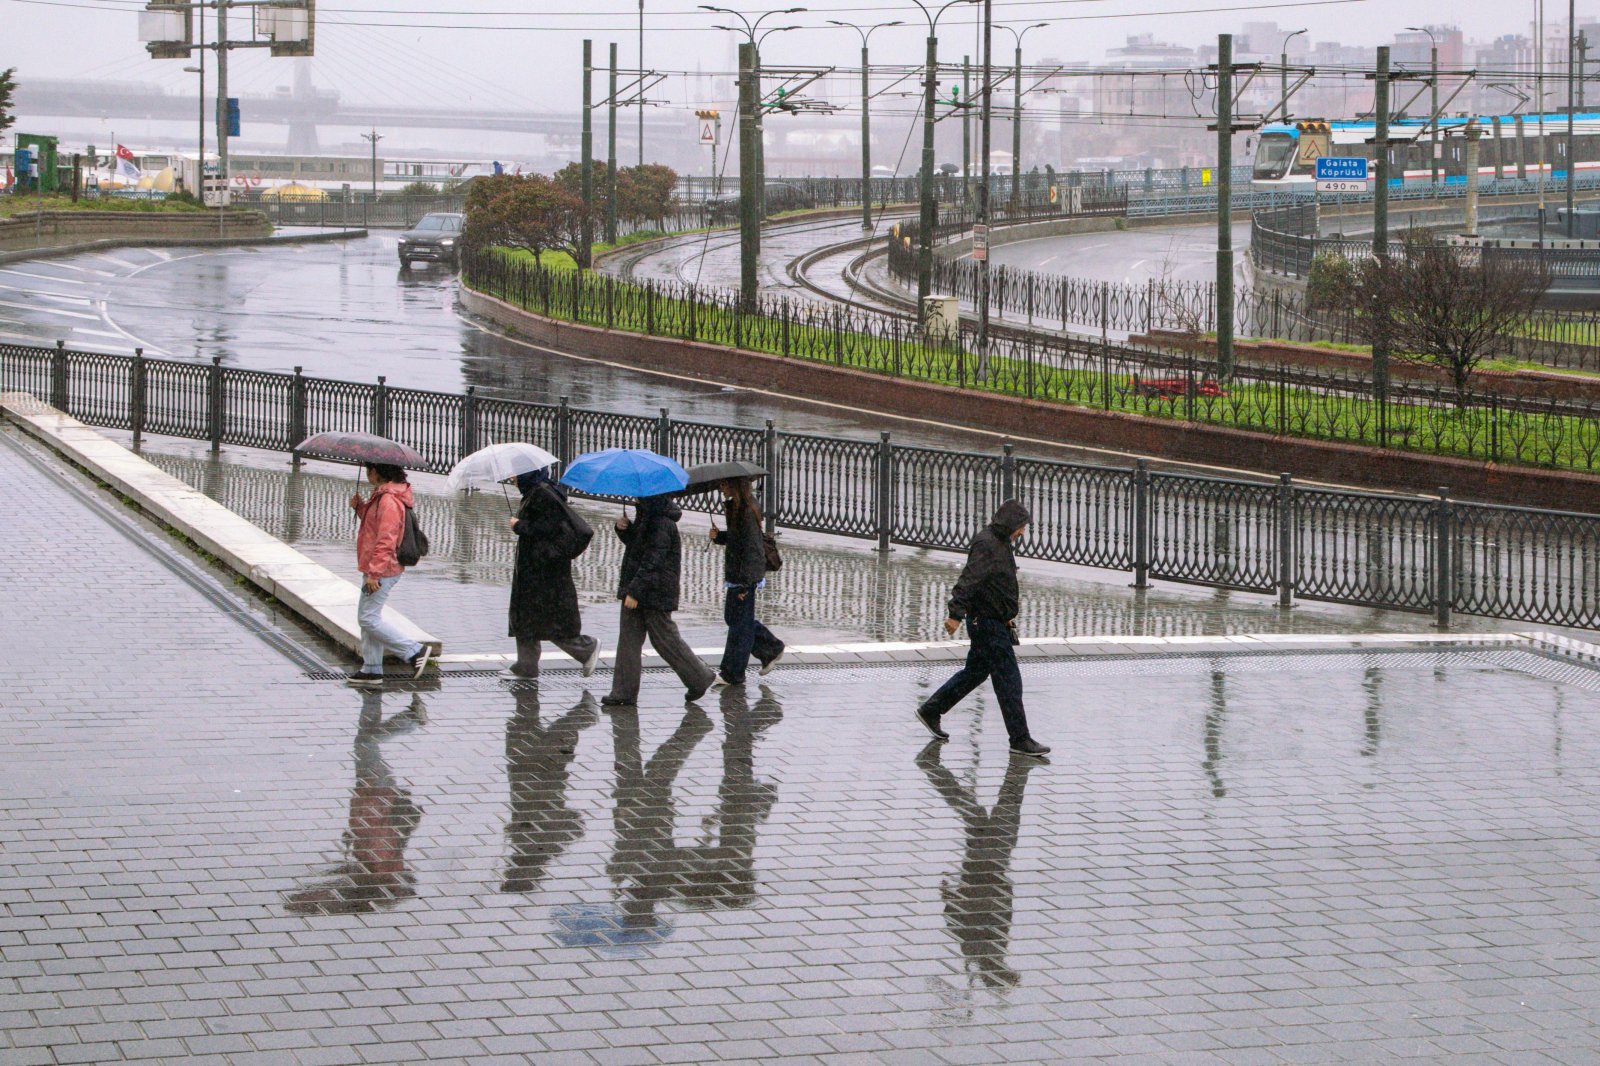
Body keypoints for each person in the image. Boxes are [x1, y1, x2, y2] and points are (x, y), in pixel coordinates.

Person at [915, 499, 1050, 758]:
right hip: (985, 624)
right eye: (1021, 527)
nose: (1022, 532)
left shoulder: (1000, 543)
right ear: (1011, 523)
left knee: (975, 672)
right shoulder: (987, 544)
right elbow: (971, 579)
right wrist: (955, 613)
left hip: (993, 621)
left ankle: (931, 710)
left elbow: (996, 584)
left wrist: (1007, 616)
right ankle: (1020, 739)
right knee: (1009, 680)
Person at [603, 492, 717, 706]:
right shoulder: (648, 516)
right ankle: (623, 692)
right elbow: (639, 548)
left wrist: (634, 591)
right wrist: (623, 530)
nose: (633, 496)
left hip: (654, 592)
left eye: (637, 493)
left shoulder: (660, 523)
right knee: (629, 640)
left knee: (665, 640)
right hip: (641, 587)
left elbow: (653, 560)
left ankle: (699, 677)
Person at [506, 467, 601, 679]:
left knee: (548, 619)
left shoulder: (543, 493)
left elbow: (548, 528)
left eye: (515, 472)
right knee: (527, 617)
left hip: (543, 570)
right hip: (535, 568)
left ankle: (586, 648)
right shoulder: (536, 491)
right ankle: (526, 665)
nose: (512, 476)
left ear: (526, 473)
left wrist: (519, 525)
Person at [348, 463, 432, 687]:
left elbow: (387, 539)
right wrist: (360, 508)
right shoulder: (383, 495)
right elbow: (375, 525)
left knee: (367, 618)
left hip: (382, 569)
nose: (367, 474)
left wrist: (374, 574)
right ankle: (372, 669)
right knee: (370, 617)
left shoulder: (388, 500)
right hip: (375, 567)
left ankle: (414, 651)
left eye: (369, 470)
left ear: (378, 472)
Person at [708, 477, 784, 685]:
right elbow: (737, 539)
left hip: (743, 577)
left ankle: (733, 673)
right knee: (735, 619)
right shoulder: (738, 508)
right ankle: (771, 649)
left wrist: (745, 582)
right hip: (740, 574)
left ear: (735, 485)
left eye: (724, 484)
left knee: (738, 623)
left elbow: (751, 548)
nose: (721, 487)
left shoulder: (746, 511)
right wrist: (719, 537)